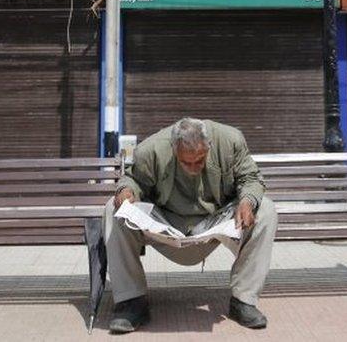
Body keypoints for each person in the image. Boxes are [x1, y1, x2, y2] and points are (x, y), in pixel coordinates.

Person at [104, 117, 278, 334]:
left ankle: (244, 301)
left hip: (214, 222)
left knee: (266, 209)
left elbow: (251, 177)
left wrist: (247, 201)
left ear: (209, 146)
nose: (194, 167)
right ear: (173, 148)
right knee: (114, 208)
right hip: (167, 223)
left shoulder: (230, 140)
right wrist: (126, 191)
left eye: (200, 160)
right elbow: (132, 180)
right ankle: (131, 302)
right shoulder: (150, 150)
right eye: (186, 162)